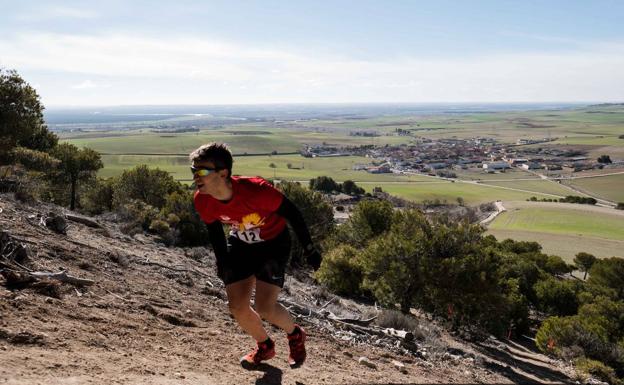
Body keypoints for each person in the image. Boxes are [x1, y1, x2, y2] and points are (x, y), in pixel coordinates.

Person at [190, 143, 322, 369]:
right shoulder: (202, 200)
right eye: (193, 171)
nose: (196, 177)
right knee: (237, 307)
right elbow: (214, 230)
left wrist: (309, 248)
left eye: (202, 171)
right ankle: (265, 346)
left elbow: (292, 213)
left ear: (223, 173)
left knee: (265, 307)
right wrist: (222, 262)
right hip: (241, 245)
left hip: (273, 244)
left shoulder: (256, 191)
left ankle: (295, 335)